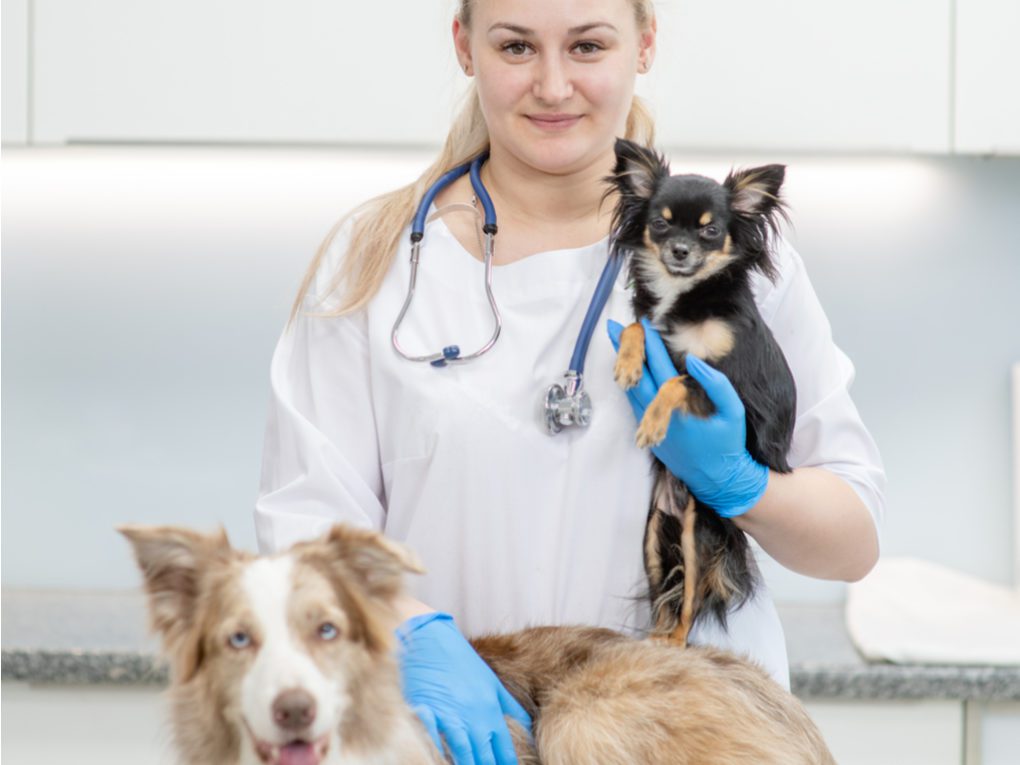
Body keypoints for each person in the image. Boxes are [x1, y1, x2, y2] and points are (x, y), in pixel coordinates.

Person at [255, 1, 885, 763]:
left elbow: (851, 542)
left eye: (588, 46)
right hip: (450, 732)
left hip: (690, 736)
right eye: (516, 46)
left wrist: (743, 484)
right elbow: (304, 533)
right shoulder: (372, 263)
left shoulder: (739, 269)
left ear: (644, 44)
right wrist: (411, 630)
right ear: (465, 47)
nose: (553, 86)